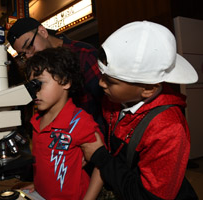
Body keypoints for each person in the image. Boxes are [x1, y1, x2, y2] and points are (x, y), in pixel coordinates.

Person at [82, 21, 198, 200]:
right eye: (102, 75)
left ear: (148, 89)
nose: (101, 83)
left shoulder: (168, 129)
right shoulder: (115, 98)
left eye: (111, 81)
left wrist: (100, 156)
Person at [23, 47, 103, 199]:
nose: (34, 92)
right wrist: (39, 184)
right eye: (31, 86)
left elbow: (102, 165)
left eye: (40, 84)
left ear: (65, 81)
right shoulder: (36, 120)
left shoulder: (79, 122)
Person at [7, 17, 104, 129]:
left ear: (42, 32)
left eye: (29, 46)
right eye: (23, 54)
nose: (29, 56)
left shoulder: (84, 55)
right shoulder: (34, 67)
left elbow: (107, 104)